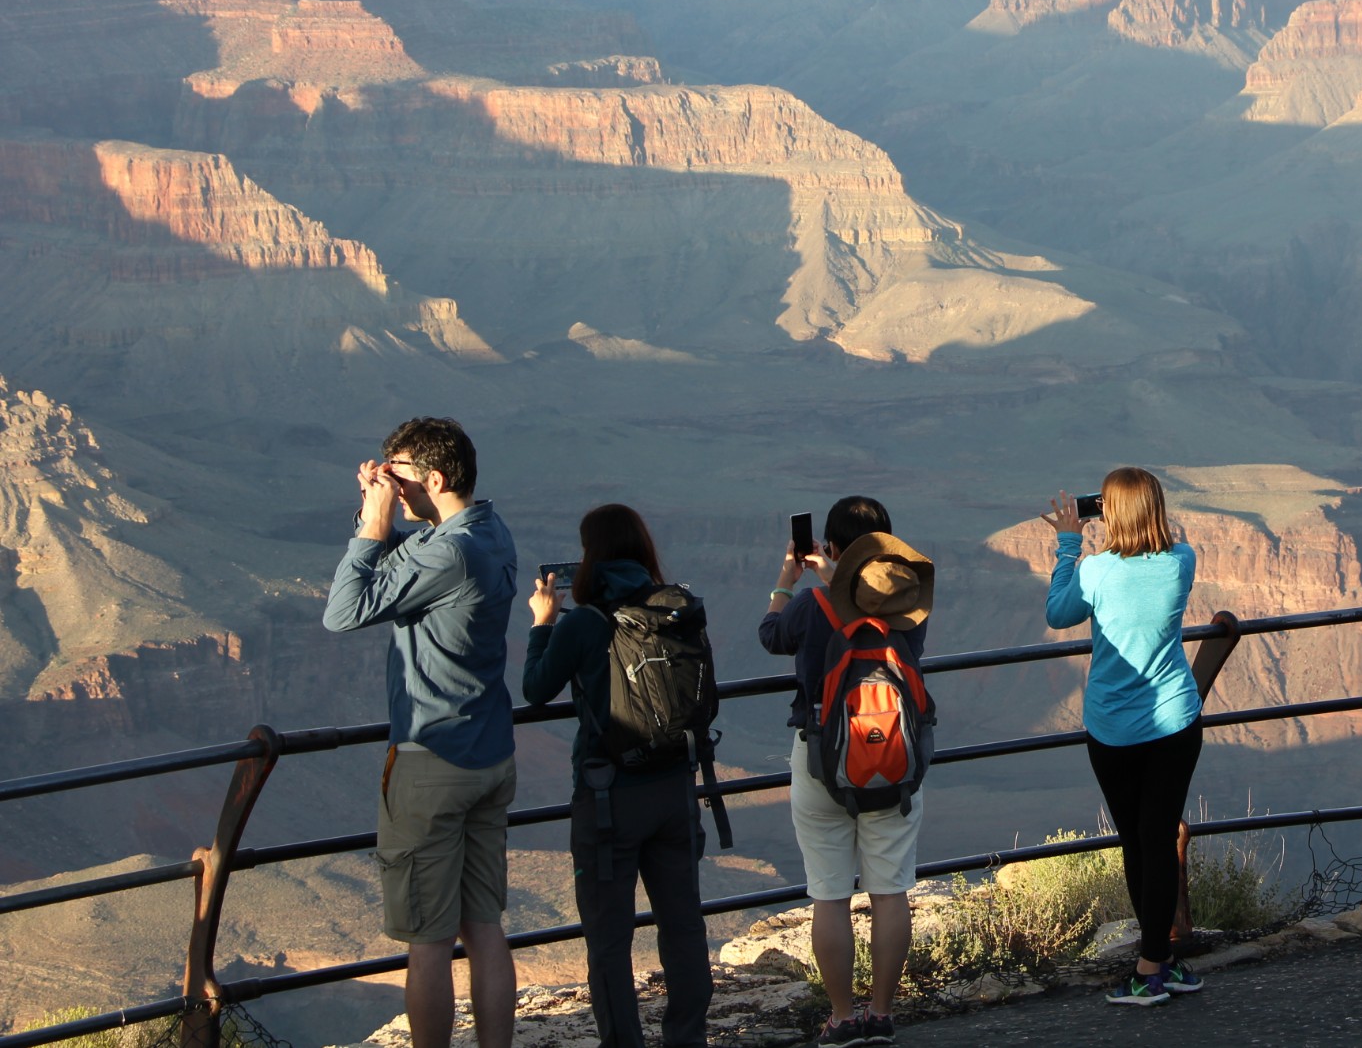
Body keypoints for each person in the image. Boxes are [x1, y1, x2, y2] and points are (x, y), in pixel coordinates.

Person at [323, 417, 518, 1048]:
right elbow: (396, 570)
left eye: (398, 472)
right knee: (484, 927)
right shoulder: (486, 531)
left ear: (433, 477)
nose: (389, 483)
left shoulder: (448, 552)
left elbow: (344, 612)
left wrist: (375, 524)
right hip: (490, 756)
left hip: (432, 763)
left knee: (428, 941)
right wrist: (379, 507)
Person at [522, 505, 714, 1046]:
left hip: (609, 801)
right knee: (683, 925)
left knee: (609, 939)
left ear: (590, 557)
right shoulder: (676, 608)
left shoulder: (585, 620)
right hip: (676, 787)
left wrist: (542, 623)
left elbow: (536, 689)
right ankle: (687, 1039)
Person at [759, 496, 934, 1048]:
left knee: (830, 895)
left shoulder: (813, 605)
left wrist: (788, 580)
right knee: (890, 892)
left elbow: (771, 636)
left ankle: (842, 1018)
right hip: (895, 763)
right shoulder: (909, 601)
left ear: (827, 548)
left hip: (822, 760)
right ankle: (881, 1015)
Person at [1042, 468, 1205, 1006]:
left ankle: (1150, 968)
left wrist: (1069, 543)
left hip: (1112, 730)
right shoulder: (1183, 560)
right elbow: (1157, 553)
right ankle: (1163, 960)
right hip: (1175, 723)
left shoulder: (1095, 572)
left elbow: (1058, 613)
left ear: (1109, 514)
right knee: (1155, 837)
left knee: (1138, 842)